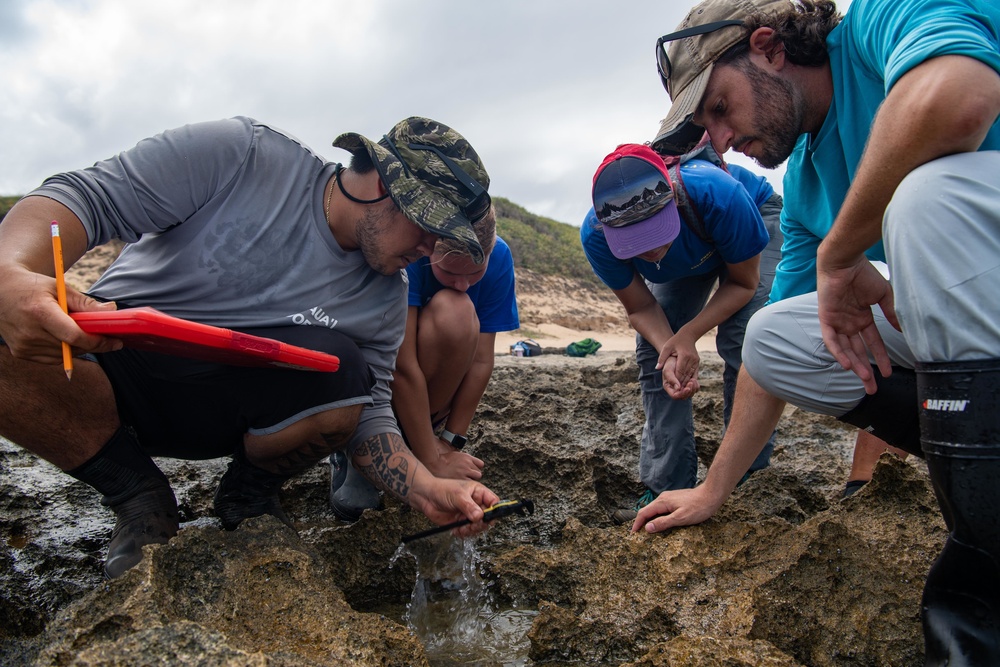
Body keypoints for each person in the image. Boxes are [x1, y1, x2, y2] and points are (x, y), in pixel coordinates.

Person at [644, 0, 1000, 661]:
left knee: (925, 201)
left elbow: (961, 96)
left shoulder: (882, 20)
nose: (719, 140)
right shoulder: (808, 179)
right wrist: (716, 486)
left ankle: (980, 591)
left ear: (769, 47)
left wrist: (842, 254)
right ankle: (978, 466)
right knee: (771, 336)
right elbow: (764, 362)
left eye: (719, 108)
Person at [0, 115, 503, 580]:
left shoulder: (385, 294)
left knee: (345, 373)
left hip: (235, 416)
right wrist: (11, 277)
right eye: (429, 228)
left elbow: (369, 412)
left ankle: (249, 495)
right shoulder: (242, 155)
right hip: (109, 370)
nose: (430, 251)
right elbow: (86, 196)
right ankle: (136, 494)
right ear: (381, 184)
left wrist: (426, 488)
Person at [581, 141, 782, 523]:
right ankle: (665, 484)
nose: (653, 250)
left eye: (658, 233)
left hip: (745, 224)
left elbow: (742, 284)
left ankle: (746, 477)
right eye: (636, 243)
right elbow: (641, 308)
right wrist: (671, 347)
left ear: (672, 198)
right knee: (654, 357)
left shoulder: (716, 194)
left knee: (746, 341)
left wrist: (689, 333)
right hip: (693, 251)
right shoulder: (596, 237)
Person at [329, 207, 519, 519]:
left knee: (456, 310)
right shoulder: (412, 253)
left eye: (474, 273)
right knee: (451, 308)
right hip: (383, 379)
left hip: (432, 393)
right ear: (429, 246)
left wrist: (448, 445)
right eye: (450, 273)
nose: (463, 284)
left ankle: (416, 437)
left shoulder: (499, 256)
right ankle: (362, 447)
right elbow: (401, 367)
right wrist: (431, 461)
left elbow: (482, 362)